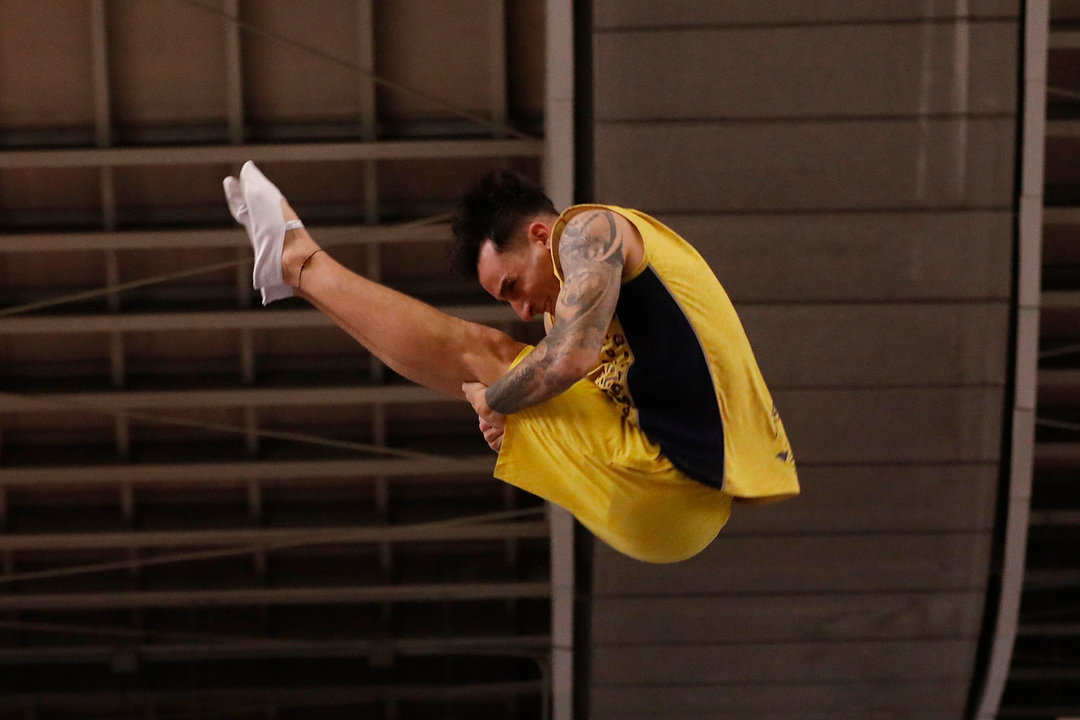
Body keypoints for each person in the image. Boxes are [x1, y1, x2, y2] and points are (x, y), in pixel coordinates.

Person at [224, 162, 797, 564]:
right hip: (668, 506)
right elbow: (566, 359)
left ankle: (300, 263)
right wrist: (503, 407)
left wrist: (494, 400)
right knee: (492, 366)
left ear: (543, 235)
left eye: (514, 284)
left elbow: (570, 355)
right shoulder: (563, 315)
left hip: (675, 487)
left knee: (490, 357)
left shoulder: (591, 230)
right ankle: (297, 275)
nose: (523, 309)